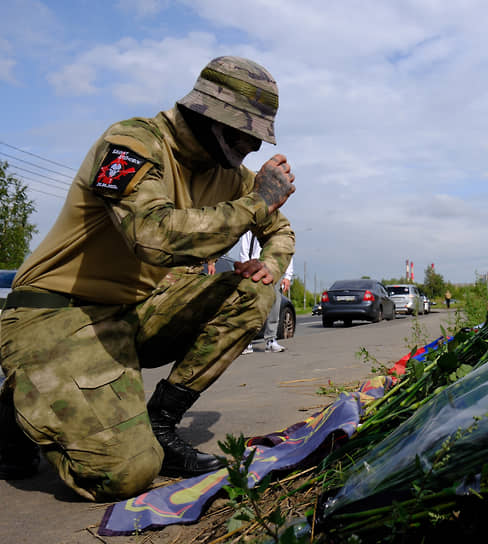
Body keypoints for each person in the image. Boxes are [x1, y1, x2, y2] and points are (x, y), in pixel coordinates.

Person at [0, 56, 295, 501]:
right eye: (245, 134)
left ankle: (160, 424)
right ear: (211, 116)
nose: (253, 148)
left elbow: (280, 228)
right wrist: (256, 204)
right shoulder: (132, 143)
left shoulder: (229, 176)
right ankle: (17, 412)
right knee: (126, 474)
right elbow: (153, 237)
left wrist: (271, 263)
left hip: (132, 314)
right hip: (56, 314)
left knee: (253, 290)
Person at [239, 231, 294, 354]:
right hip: (254, 271)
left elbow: (287, 253)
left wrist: (287, 276)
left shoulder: (279, 229)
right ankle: (247, 342)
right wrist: (247, 271)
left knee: (274, 307)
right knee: (252, 307)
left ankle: (271, 340)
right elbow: (244, 250)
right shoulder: (251, 229)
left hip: (274, 271)